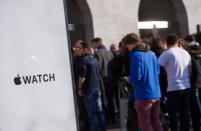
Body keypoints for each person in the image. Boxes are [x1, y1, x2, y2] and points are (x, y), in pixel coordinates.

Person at [122, 33, 163, 131]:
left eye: (127, 46)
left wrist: (129, 79)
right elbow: (157, 72)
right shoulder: (152, 54)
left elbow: (136, 77)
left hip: (143, 94)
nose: (127, 49)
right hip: (156, 92)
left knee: (145, 123)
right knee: (156, 121)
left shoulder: (136, 55)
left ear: (130, 44)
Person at [159, 34, 191, 131]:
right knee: (185, 112)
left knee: (173, 114)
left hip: (173, 87)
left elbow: (157, 65)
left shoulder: (167, 53)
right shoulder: (186, 53)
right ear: (177, 42)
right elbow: (190, 71)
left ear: (166, 43)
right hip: (186, 86)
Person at [78, 41, 106, 131]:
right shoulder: (94, 59)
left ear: (85, 49)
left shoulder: (84, 60)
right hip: (97, 88)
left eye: (80, 48)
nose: (77, 50)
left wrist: (79, 88)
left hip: (88, 89)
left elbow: (82, 77)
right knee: (99, 111)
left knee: (92, 113)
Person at [91, 38, 115, 123]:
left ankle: (106, 119)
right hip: (111, 78)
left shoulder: (97, 53)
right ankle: (113, 118)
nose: (92, 46)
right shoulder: (109, 52)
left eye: (93, 43)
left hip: (102, 79)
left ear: (97, 43)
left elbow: (98, 67)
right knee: (110, 99)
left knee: (103, 99)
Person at [185, 35, 201, 131]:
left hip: (195, 84)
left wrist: (192, 83)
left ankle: (197, 126)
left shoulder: (191, 57)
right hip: (197, 83)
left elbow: (195, 72)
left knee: (195, 108)